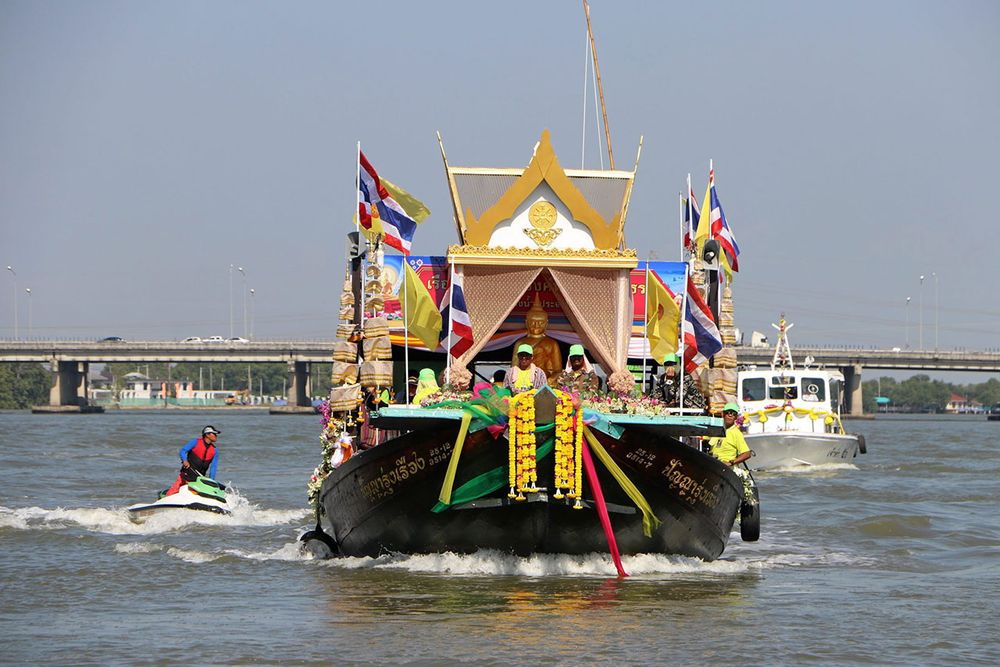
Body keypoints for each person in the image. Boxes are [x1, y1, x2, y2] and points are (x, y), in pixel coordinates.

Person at [510, 293, 563, 379]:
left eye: (540, 322)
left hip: (545, 380)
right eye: (533, 322)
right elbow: (514, 368)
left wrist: (549, 381)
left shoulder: (552, 344)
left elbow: (558, 371)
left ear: (546, 324)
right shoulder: (520, 343)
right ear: (526, 323)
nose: (536, 325)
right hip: (524, 379)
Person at [165, 425, 221, 495]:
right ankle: (166, 497)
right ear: (207, 434)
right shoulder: (195, 442)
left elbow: (213, 467)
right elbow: (183, 451)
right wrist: (185, 460)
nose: (216, 436)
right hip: (186, 475)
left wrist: (211, 481)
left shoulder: (215, 450)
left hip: (199, 479)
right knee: (172, 492)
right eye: (214, 434)